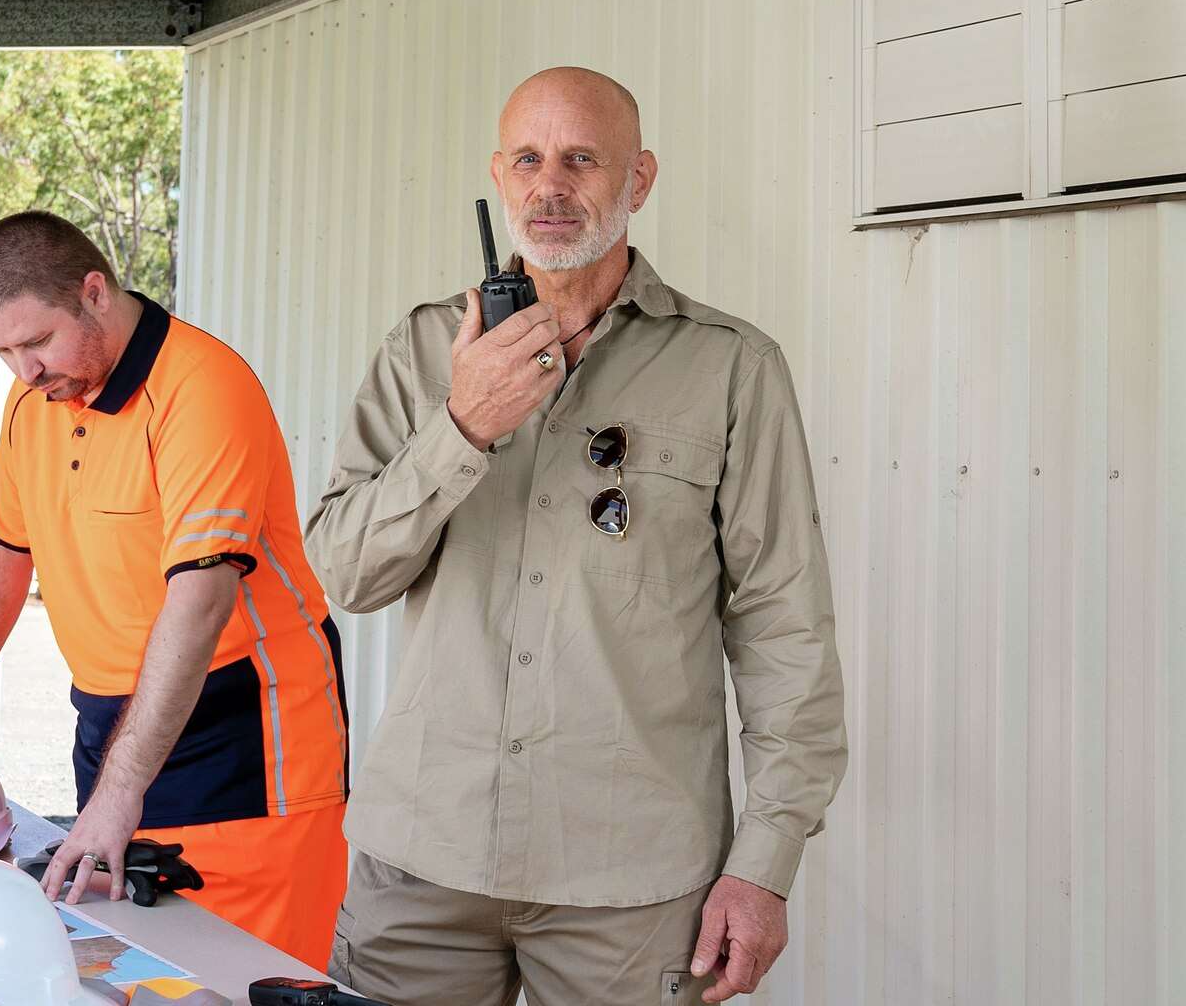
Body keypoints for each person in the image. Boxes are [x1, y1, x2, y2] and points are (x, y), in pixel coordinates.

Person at [305, 66, 847, 1005]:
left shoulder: (732, 368)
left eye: (581, 159)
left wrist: (765, 862)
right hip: (425, 855)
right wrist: (462, 427)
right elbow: (346, 573)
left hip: (630, 880)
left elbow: (783, 625)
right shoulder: (424, 349)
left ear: (637, 180)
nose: (550, 186)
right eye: (528, 158)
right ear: (499, 176)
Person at [0, 211, 349, 969]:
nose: (23, 372)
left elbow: (200, 603)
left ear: (95, 292)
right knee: (134, 977)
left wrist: (114, 796)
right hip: (110, 734)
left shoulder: (202, 389)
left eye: (36, 342)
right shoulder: (33, 405)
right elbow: (4, 546)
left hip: (246, 748)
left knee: (242, 983)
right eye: (2, 351)